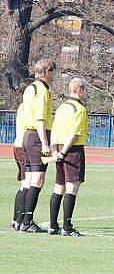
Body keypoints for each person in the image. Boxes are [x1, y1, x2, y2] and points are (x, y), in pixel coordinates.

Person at [48, 77, 89, 236]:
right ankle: (67, 226)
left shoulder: (62, 107)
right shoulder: (79, 109)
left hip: (58, 147)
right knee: (72, 187)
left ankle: (53, 225)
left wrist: (54, 150)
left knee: (59, 186)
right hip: (71, 149)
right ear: (79, 90)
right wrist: (64, 151)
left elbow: (54, 129)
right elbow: (74, 134)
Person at [19, 58, 56, 233]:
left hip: (27, 136)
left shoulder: (29, 88)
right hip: (36, 136)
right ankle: (27, 220)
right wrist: (45, 144)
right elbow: (40, 119)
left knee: (29, 180)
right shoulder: (42, 91)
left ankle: (21, 220)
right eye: (53, 72)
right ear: (47, 72)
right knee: (38, 179)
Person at [11, 102, 27, 230]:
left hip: (18, 145)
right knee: (27, 184)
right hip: (23, 146)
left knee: (23, 184)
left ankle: (16, 219)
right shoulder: (27, 105)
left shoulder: (22, 105)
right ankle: (21, 220)